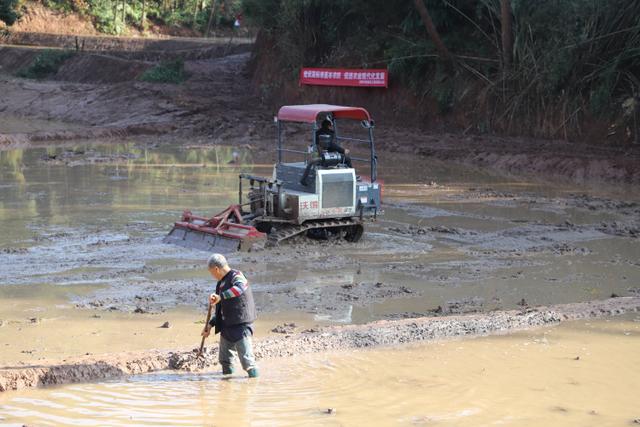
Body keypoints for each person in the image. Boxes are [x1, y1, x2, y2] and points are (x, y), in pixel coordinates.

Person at [201, 253, 258, 378]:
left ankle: (254, 381)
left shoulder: (237, 276)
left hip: (241, 325)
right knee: (225, 361)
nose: (212, 276)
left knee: (247, 362)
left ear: (216, 269)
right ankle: (227, 384)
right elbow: (220, 310)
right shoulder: (220, 284)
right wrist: (210, 325)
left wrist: (220, 297)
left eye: (212, 272)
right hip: (227, 327)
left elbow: (240, 289)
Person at [300, 119, 352, 186]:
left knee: (312, 162)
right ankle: (351, 176)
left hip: (318, 155)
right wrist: (343, 150)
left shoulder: (317, 133)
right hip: (328, 156)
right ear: (328, 126)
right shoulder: (329, 133)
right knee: (347, 159)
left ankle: (304, 180)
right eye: (331, 126)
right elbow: (332, 145)